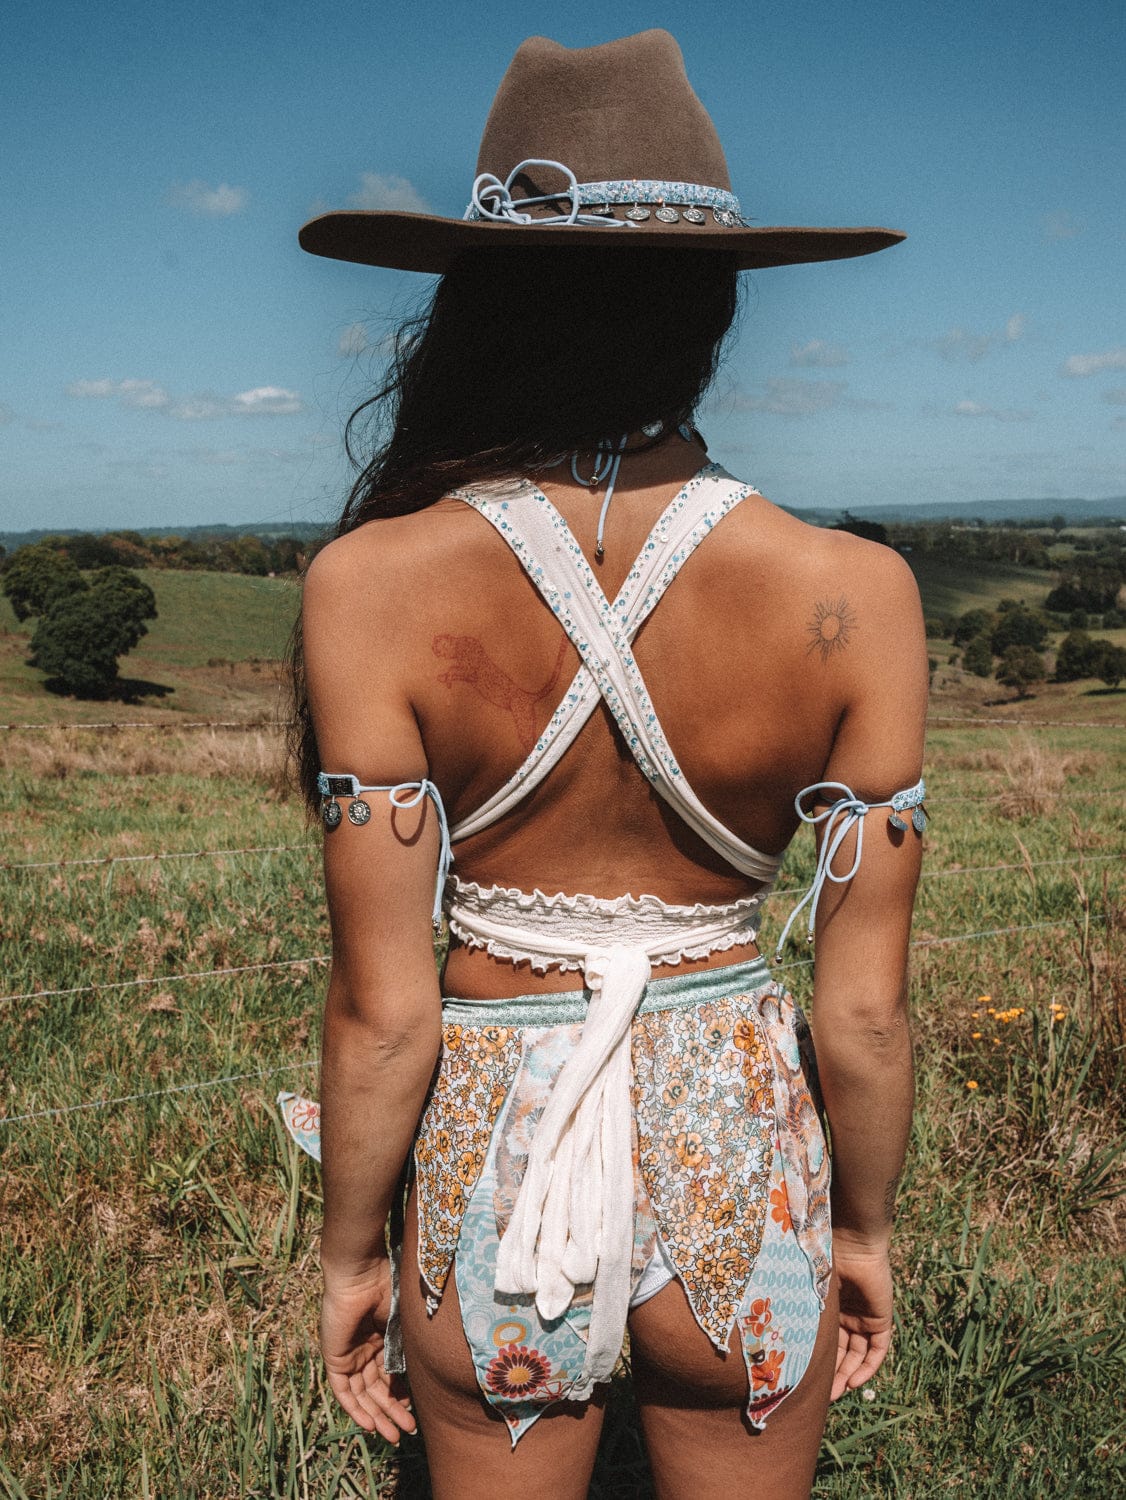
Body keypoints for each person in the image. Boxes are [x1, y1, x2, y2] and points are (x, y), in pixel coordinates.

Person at [280, 29, 926, 1500]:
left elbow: (383, 1012)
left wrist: (349, 1255)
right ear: (717, 301)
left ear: (481, 302)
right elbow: (864, 1008)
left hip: (493, 1145)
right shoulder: (857, 594)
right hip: (740, 1141)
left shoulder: (369, 584)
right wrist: (862, 1229)